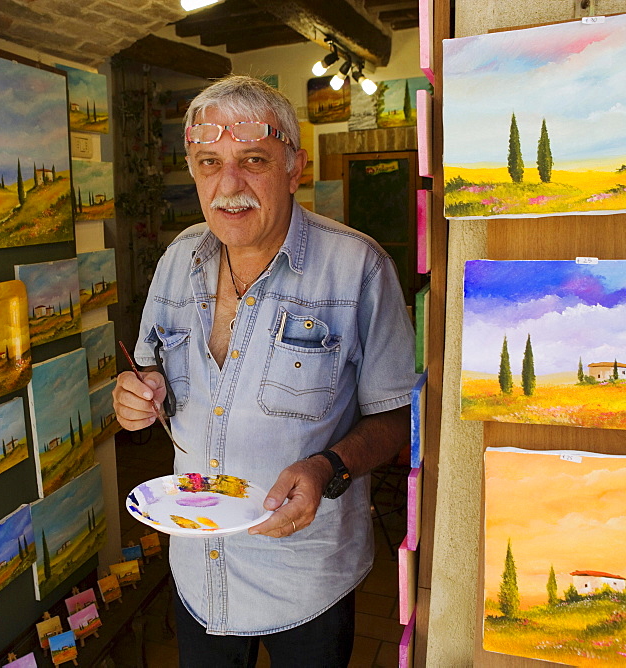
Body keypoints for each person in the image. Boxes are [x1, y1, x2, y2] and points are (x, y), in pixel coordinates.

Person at [112, 75, 416, 667]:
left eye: (253, 160)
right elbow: (149, 364)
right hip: (198, 568)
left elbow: (401, 413)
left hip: (305, 576)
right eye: (208, 162)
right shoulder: (178, 258)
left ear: (294, 167)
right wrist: (136, 393)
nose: (229, 186)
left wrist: (329, 465)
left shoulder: (358, 268)